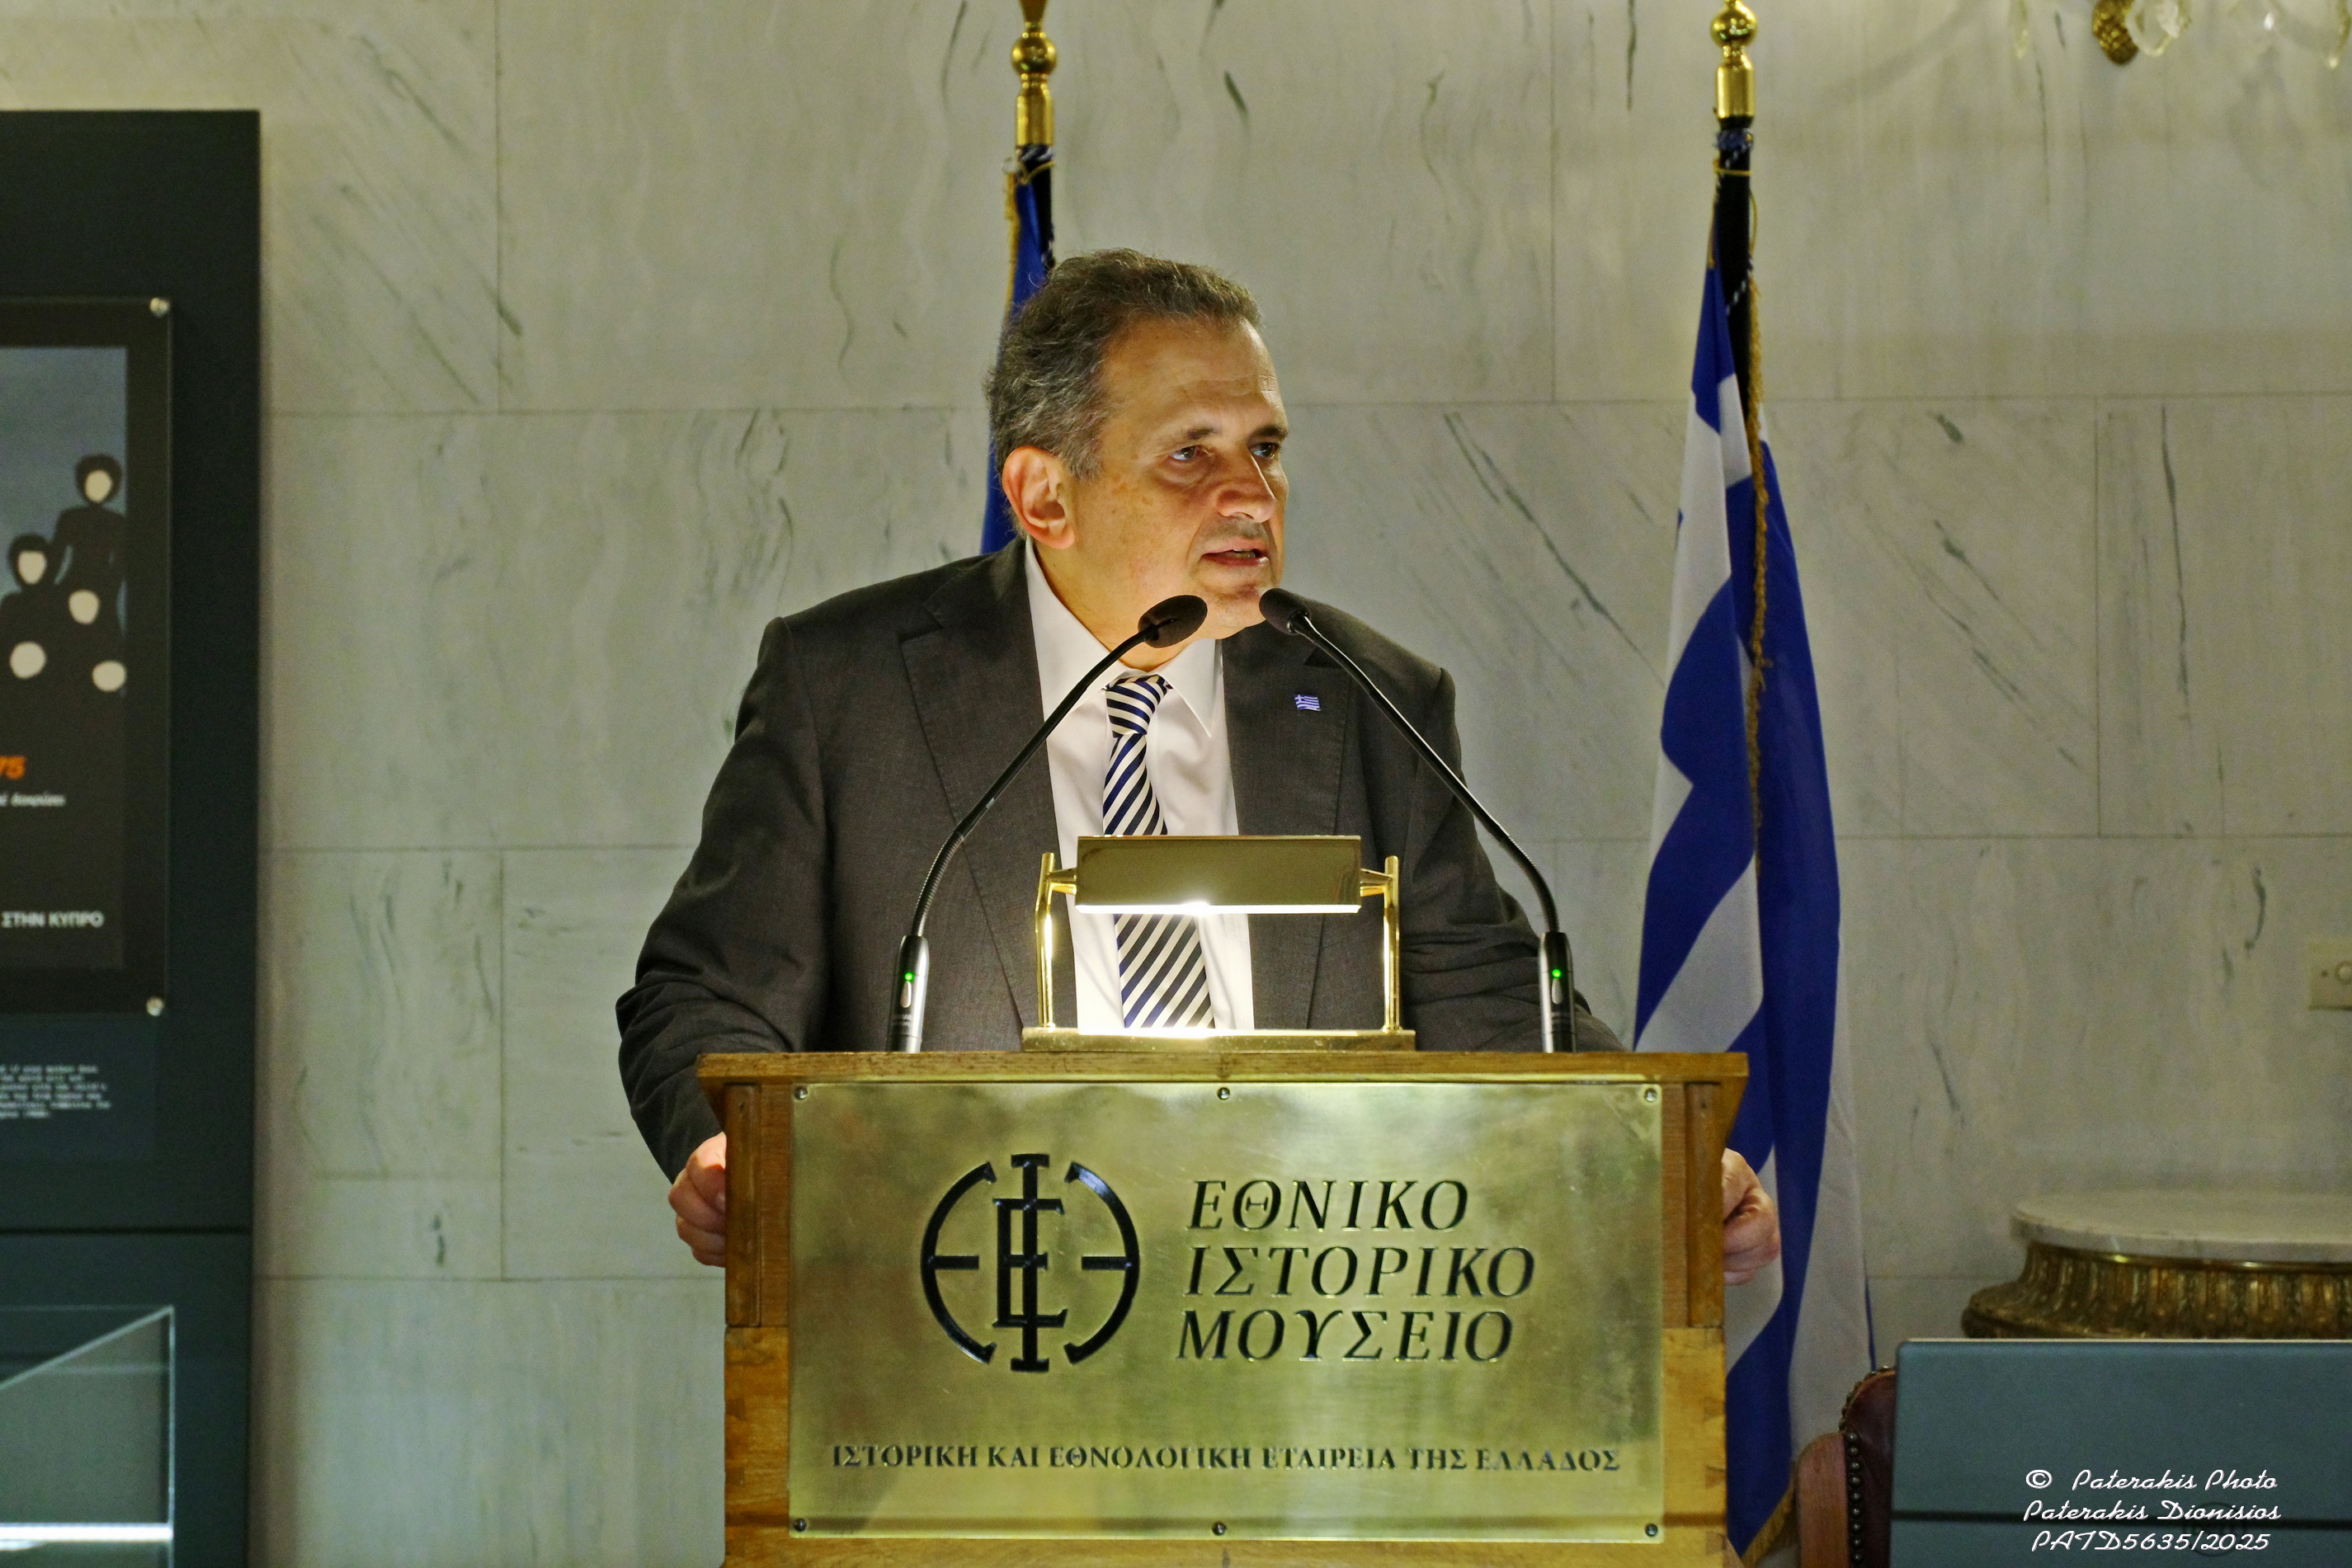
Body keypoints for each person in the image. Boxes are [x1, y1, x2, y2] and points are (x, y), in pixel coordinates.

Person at [616, 250, 1779, 1284]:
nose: (1251, 497)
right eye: (1191, 453)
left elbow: (1486, 999)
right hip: (973, 1300)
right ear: (1042, 495)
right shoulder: (851, 687)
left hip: (1290, 1314)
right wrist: (727, 1146)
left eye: (1264, 449)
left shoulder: (1368, 695)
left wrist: (1658, 1156)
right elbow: (707, 992)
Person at [53, 454, 128, 637]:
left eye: (104, 483)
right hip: (73, 581)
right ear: (83, 483)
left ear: (112, 487)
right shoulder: (70, 518)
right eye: (93, 481)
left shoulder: (118, 522)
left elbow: (121, 564)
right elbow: (56, 557)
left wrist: (110, 591)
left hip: (103, 586)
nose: (98, 487)